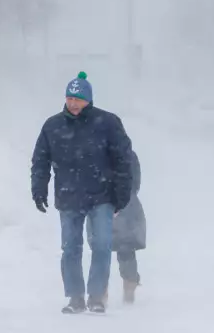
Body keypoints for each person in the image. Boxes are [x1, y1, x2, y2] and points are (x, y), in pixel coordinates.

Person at [31, 72, 134, 314]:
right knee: (70, 248)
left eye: (78, 99)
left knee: (101, 245)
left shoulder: (108, 123)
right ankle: (75, 297)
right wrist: (38, 188)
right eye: (69, 98)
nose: (73, 104)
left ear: (89, 100)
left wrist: (122, 194)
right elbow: (40, 160)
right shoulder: (53, 126)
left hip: (102, 196)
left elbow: (123, 160)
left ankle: (97, 296)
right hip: (69, 197)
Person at [88, 148, 145, 304]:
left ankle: (101, 292)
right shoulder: (129, 154)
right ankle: (129, 287)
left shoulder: (95, 153)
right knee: (126, 248)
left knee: (101, 250)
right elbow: (135, 183)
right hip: (126, 203)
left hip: (101, 204)